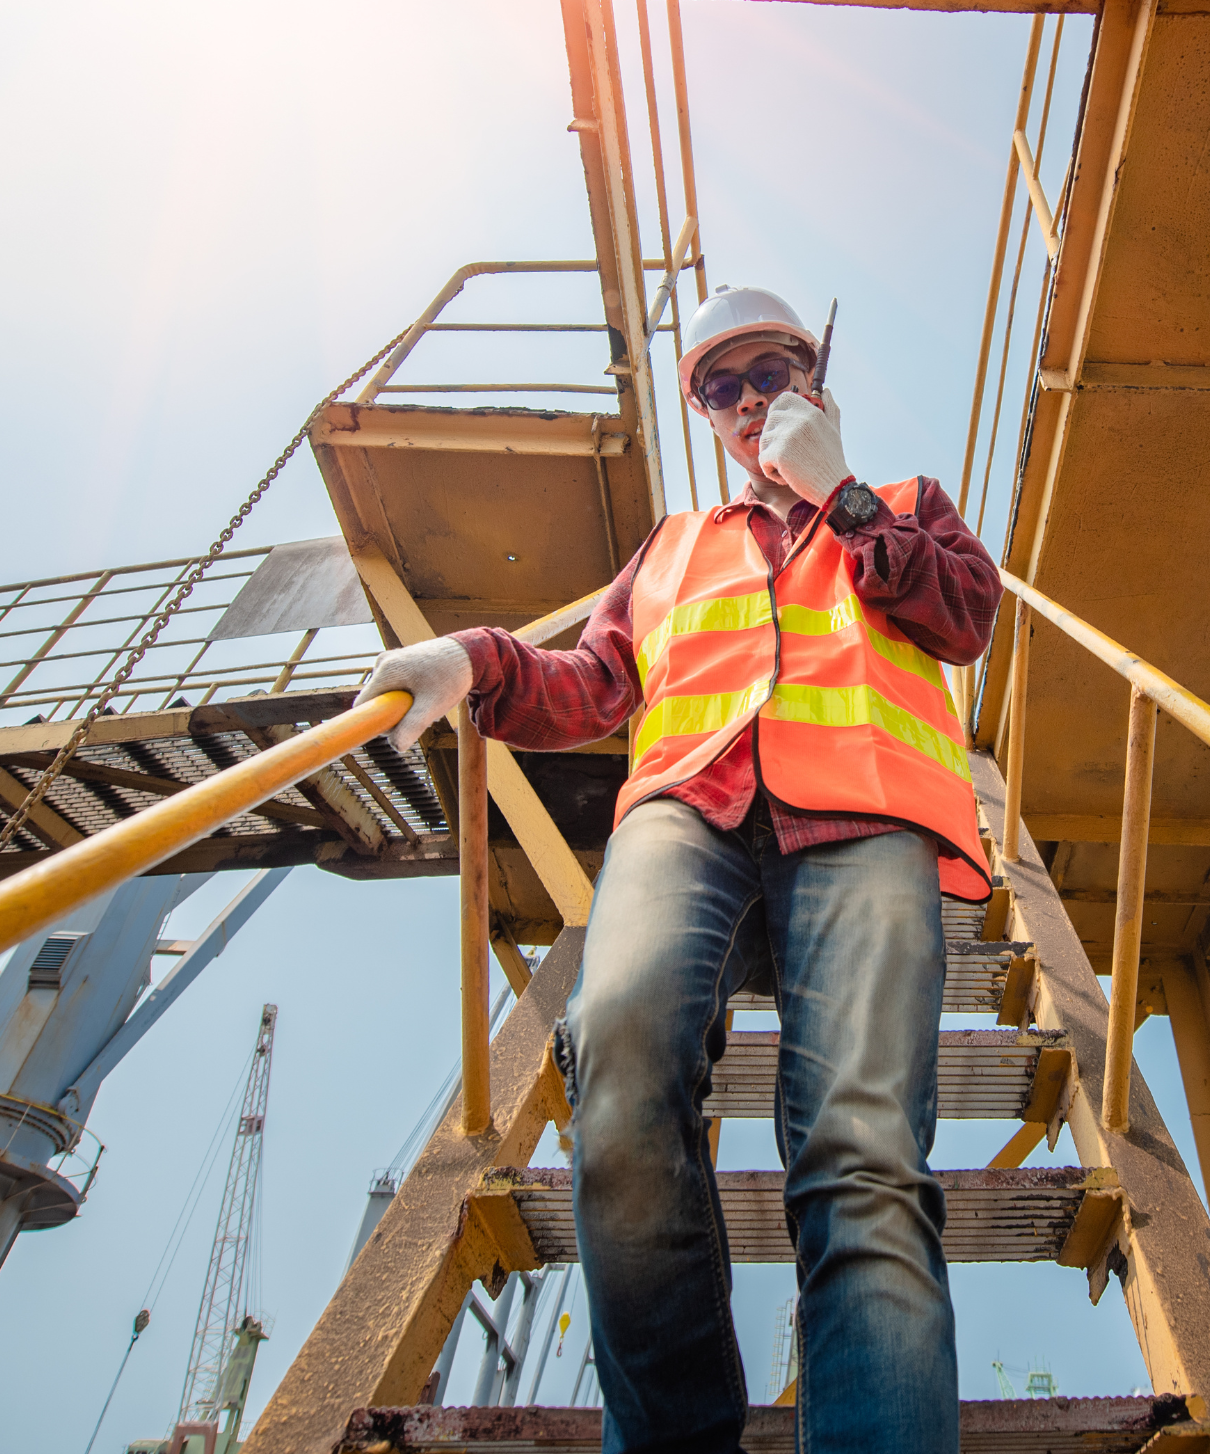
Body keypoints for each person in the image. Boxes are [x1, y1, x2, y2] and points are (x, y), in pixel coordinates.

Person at [358, 286, 1002, 1454]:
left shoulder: (900, 506)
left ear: (814, 379)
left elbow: (962, 617)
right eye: (722, 385)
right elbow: (594, 681)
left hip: (863, 812)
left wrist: (842, 496)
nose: (750, 400)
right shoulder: (673, 548)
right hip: (690, 810)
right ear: (704, 410)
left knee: (862, 1150)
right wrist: (473, 660)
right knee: (615, 1068)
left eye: (771, 374)